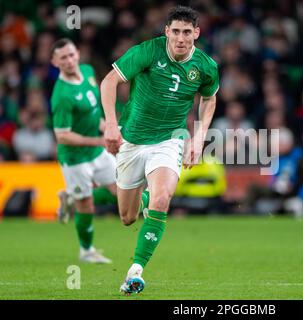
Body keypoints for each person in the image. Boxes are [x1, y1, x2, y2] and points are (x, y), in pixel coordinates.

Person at [100, 6, 219, 295]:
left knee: (163, 197)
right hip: (132, 140)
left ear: (196, 34)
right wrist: (112, 125)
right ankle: (145, 198)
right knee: (127, 217)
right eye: (175, 31)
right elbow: (109, 81)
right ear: (166, 31)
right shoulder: (148, 52)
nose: (181, 38)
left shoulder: (205, 66)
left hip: (169, 140)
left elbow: (209, 99)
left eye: (187, 32)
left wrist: (199, 136)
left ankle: (135, 271)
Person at [50, 38, 117, 264]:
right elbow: (62, 135)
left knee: (123, 191)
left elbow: (92, 112)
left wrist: (109, 128)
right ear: (54, 62)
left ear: (77, 53)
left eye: (71, 55)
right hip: (75, 159)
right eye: (63, 58)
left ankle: (71, 196)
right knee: (86, 205)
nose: (69, 61)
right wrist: (99, 141)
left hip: (97, 151)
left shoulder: (88, 71)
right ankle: (86, 251)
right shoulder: (61, 96)